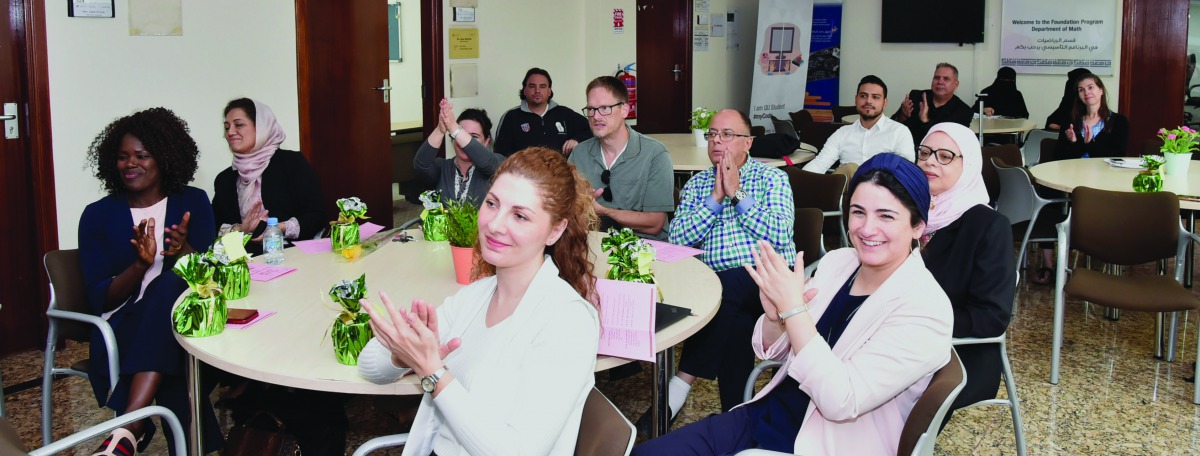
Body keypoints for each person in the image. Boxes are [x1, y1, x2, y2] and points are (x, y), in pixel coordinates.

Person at [633, 153, 953, 455]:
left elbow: (841, 401)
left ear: (918, 226)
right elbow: (775, 352)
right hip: (768, 414)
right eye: (858, 212)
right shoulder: (840, 262)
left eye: (886, 216)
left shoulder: (925, 308)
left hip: (825, 444)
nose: (867, 229)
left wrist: (794, 311)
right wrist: (775, 320)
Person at [357, 147, 601, 455]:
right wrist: (403, 355)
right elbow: (369, 367)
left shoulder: (567, 321)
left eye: (520, 216)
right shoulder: (476, 296)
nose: (495, 224)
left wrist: (433, 371)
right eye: (492, 203)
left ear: (555, 231)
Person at [80, 107, 222, 455]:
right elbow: (100, 300)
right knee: (178, 362)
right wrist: (140, 266)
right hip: (124, 326)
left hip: (189, 322)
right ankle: (159, 435)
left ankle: (130, 427)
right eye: (123, 157)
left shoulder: (192, 202)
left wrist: (185, 251)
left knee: (171, 284)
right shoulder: (97, 215)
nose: (130, 164)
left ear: (165, 158)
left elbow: (210, 277)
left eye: (141, 155)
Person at [661, 109, 796, 419]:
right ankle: (735, 418)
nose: (716, 141)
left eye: (727, 135)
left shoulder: (772, 178)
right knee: (735, 323)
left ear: (748, 143)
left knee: (725, 289)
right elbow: (678, 239)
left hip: (770, 281)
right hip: (724, 292)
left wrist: (737, 194)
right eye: (712, 135)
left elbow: (780, 234)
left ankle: (681, 383)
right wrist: (715, 199)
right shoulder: (697, 185)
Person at [916, 123, 1015, 420]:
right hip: (896, 338)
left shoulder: (988, 226)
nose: (930, 162)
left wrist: (915, 321)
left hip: (959, 352)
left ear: (968, 164)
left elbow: (991, 317)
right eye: (924, 153)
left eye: (945, 156)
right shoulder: (906, 211)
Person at [568, 76, 675, 239]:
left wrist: (603, 211)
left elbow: (655, 224)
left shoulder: (655, 154)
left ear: (625, 110)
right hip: (591, 242)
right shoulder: (579, 153)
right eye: (591, 109)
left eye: (604, 108)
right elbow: (564, 207)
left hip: (643, 247)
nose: (596, 116)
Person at [212, 98, 324, 253]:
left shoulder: (291, 163)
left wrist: (278, 229)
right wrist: (241, 229)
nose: (230, 132)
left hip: (290, 254)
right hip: (243, 260)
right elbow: (214, 227)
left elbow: (317, 215)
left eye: (239, 125)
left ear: (261, 127)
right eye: (226, 127)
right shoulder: (225, 179)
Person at [803, 75, 915, 174]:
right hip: (847, 188)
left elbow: (906, 173)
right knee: (849, 169)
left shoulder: (899, 132)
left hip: (882, 187)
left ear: (884, 102)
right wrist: (798, 181)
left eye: (875, 97)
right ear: (856, 99)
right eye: (863, 96)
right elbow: (820, 164)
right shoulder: (842, 133)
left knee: (851, 169)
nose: (868, 101)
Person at [413, 98, 504, 205]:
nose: (463, 143)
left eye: (474, 136)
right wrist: (440, 129)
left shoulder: (498, 163)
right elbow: (421, 165)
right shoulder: (443, 167)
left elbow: (489, 164)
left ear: (486, 141)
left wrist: (454, 128)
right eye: (461, 134)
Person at [492, 68, 593, 156]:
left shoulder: (565, 114)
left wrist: (577, 140)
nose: (537, 90)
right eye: (532, 86)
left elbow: (592, 129)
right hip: (524, 172)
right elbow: (500, 155)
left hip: (560, 171)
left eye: (542, 86)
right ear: (524, 90)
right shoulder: (511, 117)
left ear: (549, 91)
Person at [893, 63, 973, 145]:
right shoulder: (916, 96)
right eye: (937, 78)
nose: (940, 82)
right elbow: (891, 127)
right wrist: (902, 116)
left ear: (956, 84)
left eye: (946, 79)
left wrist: (925, 121)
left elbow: (950, 143)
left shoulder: (963, 112)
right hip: (905, 148)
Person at [1053, 73, 1129, 160]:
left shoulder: (1119, 121)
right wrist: (1073, 142)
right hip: (1075, 168)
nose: (1086, 92)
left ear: (1101, 90)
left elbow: (1118, 157)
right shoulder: (1070, 121)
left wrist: (1090, 143)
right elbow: (1058, 157)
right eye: (1081, 90)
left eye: (1090, 87)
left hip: (1104, 169)